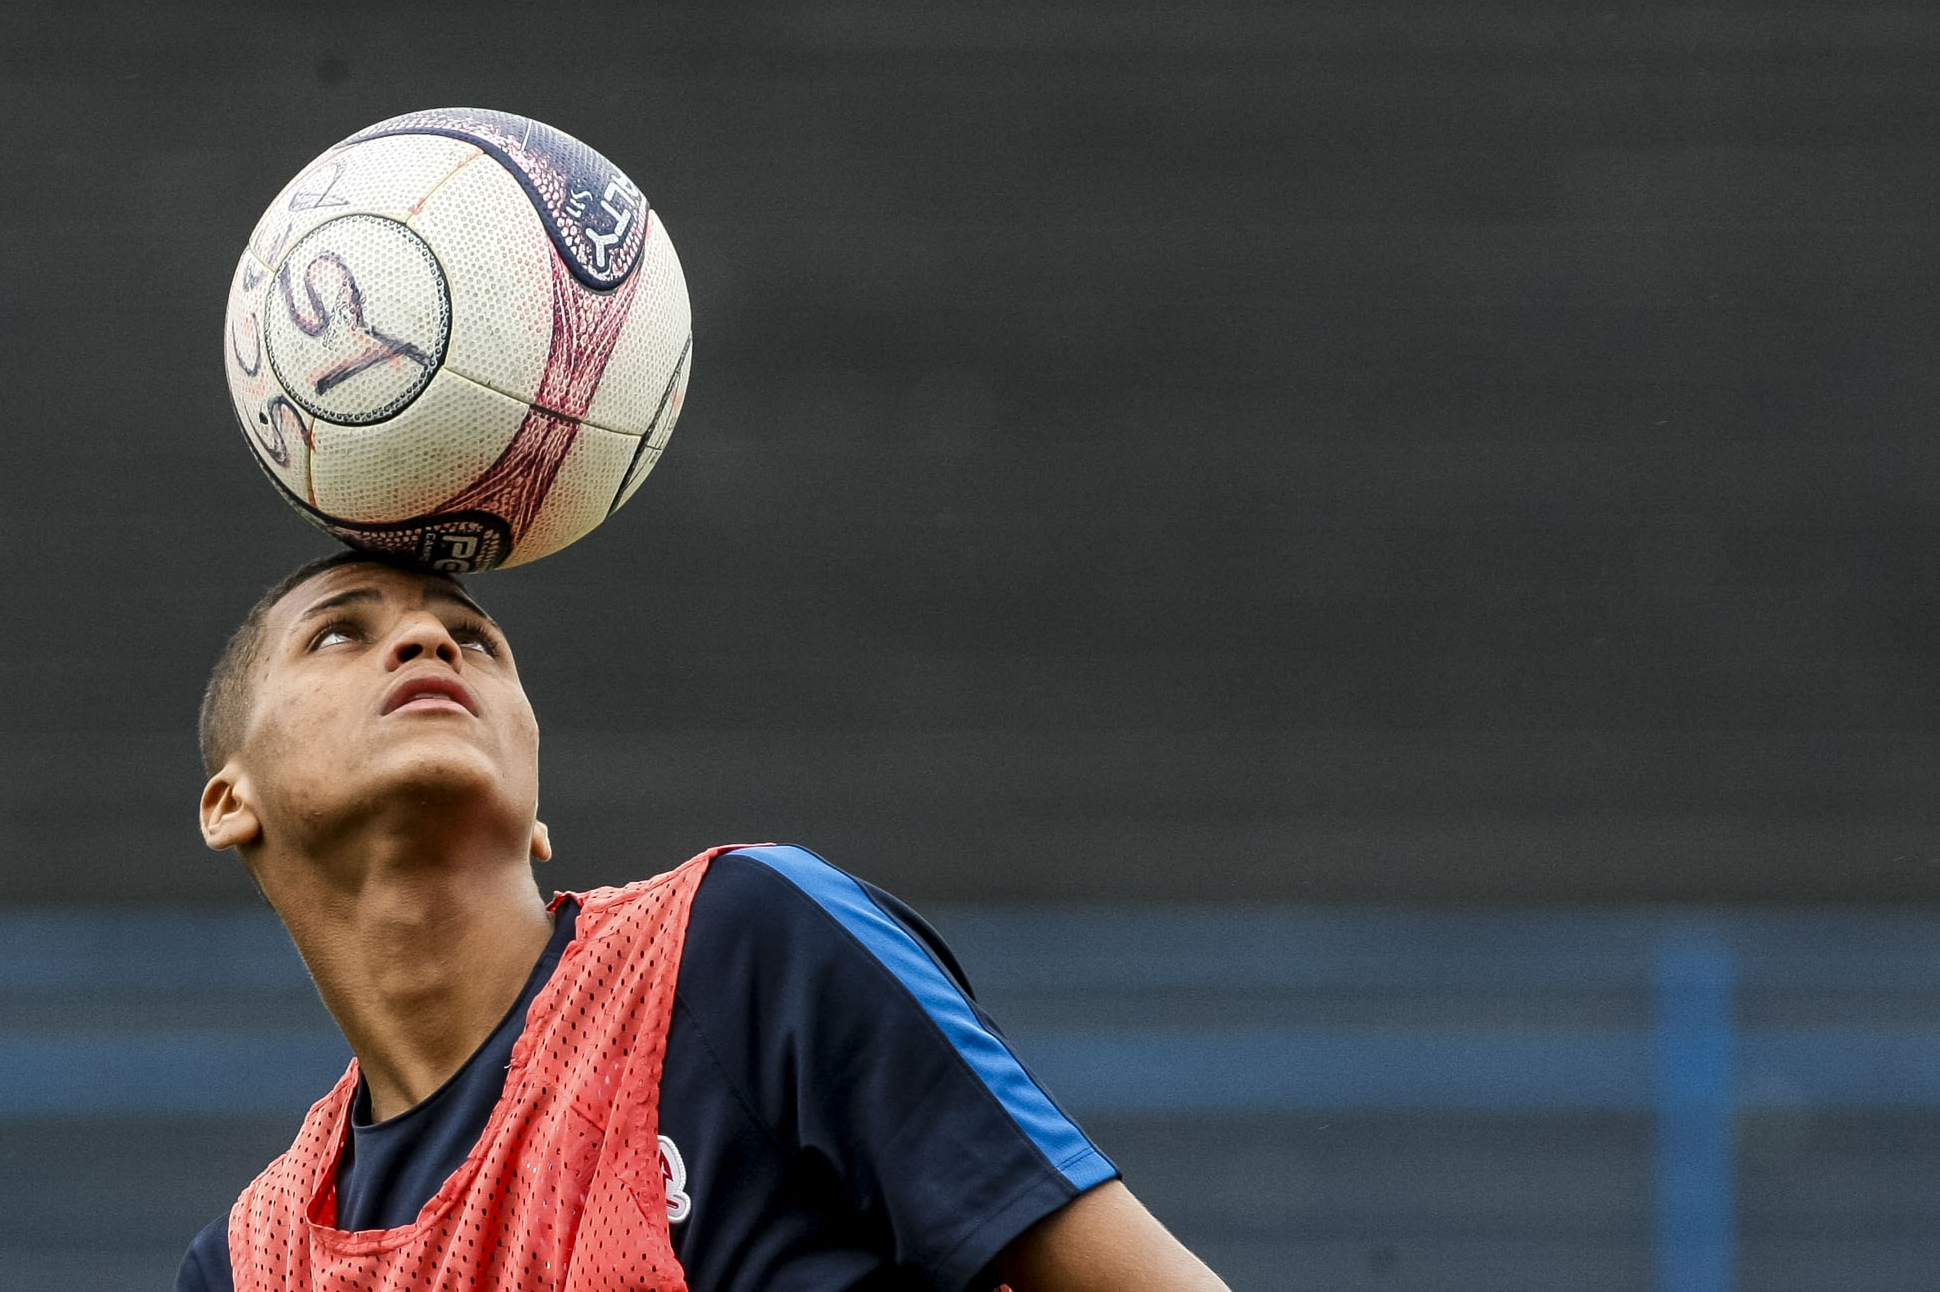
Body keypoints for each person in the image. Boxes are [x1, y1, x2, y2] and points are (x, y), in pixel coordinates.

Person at [173, 549, 1230, 1291]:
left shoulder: (744, 947)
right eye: (341, 631)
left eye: (472, 638)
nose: (421, 641)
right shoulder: (250, 1268)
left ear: (538, 813)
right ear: (231, 803)